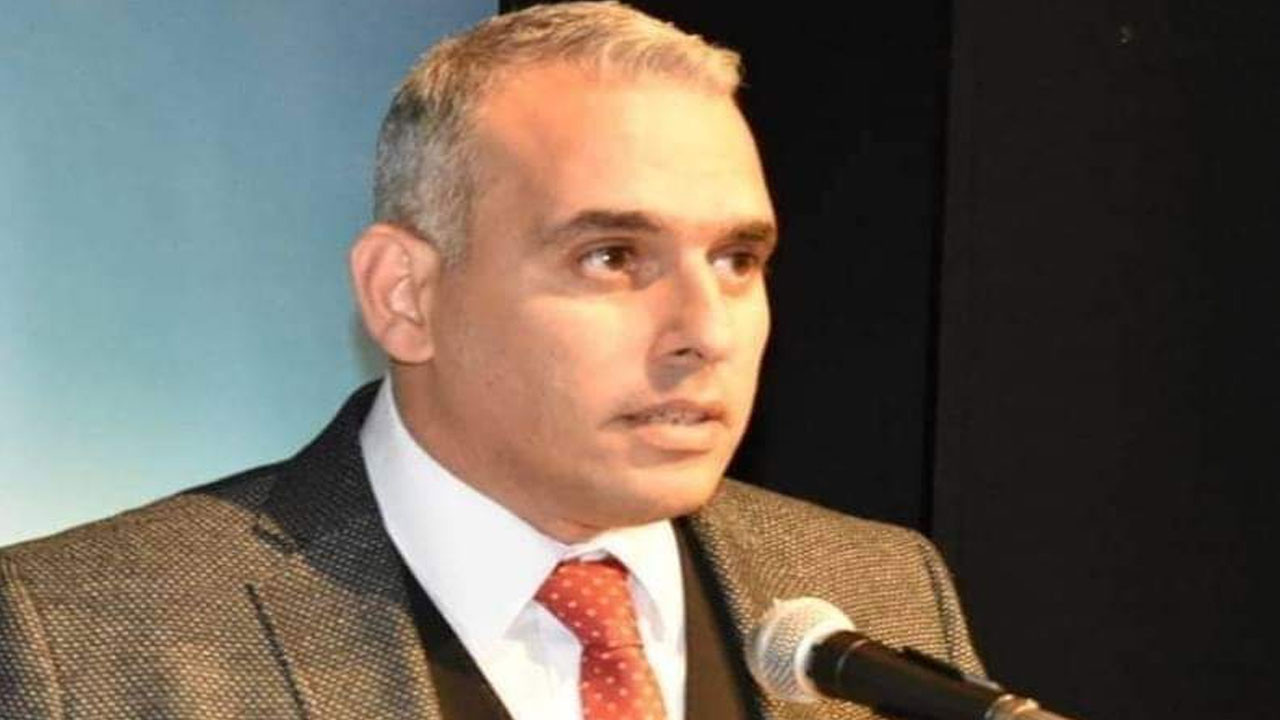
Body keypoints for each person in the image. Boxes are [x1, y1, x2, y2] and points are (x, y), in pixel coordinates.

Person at [0, 3, 982, 718]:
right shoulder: (82, 639)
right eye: (612, 257)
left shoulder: (877, 590)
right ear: (404, 294)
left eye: (737, 260)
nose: (705, 329)